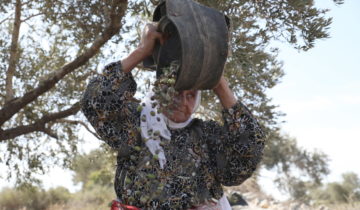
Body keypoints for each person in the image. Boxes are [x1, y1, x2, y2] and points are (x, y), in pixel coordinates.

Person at [81, 23, 265, 210]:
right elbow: (95, 101)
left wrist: (219, 83)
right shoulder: (136, 125)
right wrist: (142, 51)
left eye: (191, 95)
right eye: (175, 92)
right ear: (161, 90)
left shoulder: (206, 135)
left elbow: (247, 154)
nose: (183, 102)